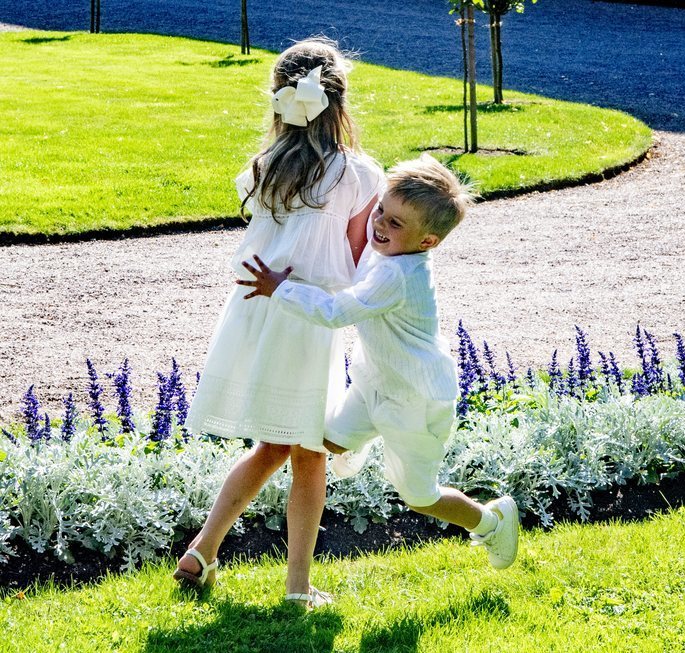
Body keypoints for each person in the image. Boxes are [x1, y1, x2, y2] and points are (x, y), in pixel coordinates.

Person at [173, 37, 384, 610]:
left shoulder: (262, 168)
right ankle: (297, 588)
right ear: (338, 104)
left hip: (259, 309)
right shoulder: (356, 173)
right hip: (307, 318)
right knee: (309, 451)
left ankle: (203, 549)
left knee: (273, 445)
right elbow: (360, 251)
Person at [238, 155, 520, 572]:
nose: (379, 226)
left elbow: (337, 311)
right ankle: (362, 438)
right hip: (375, 384)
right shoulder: (385, 254)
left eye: (395, 223)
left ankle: (492, 522)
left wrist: (280, 290)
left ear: (427, 242)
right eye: (380, 212)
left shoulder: (398, 276)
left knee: (420, 496)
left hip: (416, 400)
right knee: (324, 442)